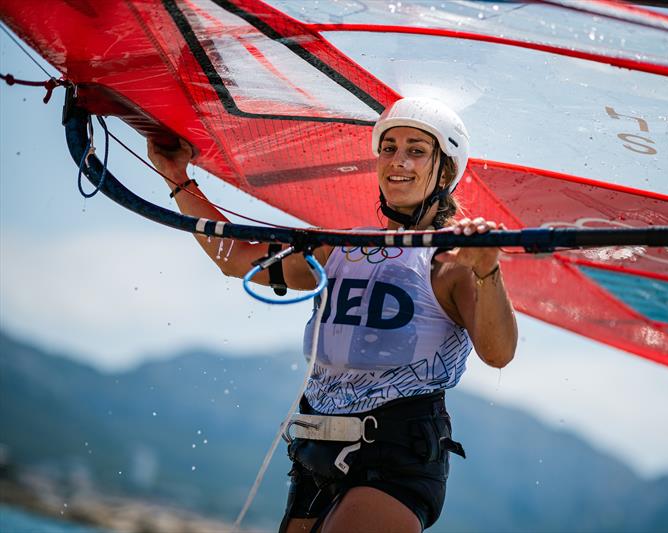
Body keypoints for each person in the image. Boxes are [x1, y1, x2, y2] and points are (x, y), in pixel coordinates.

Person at [148, 97, 518, 532]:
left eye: (416, 150)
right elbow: (236, 259)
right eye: (389, 148)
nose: (398, 161)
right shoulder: (341, 246)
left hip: (397, 457)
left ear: (445, 171)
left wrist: (487, 270)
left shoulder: (453, 261)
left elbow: (498, 353)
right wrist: (177, 178)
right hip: (315, 452)